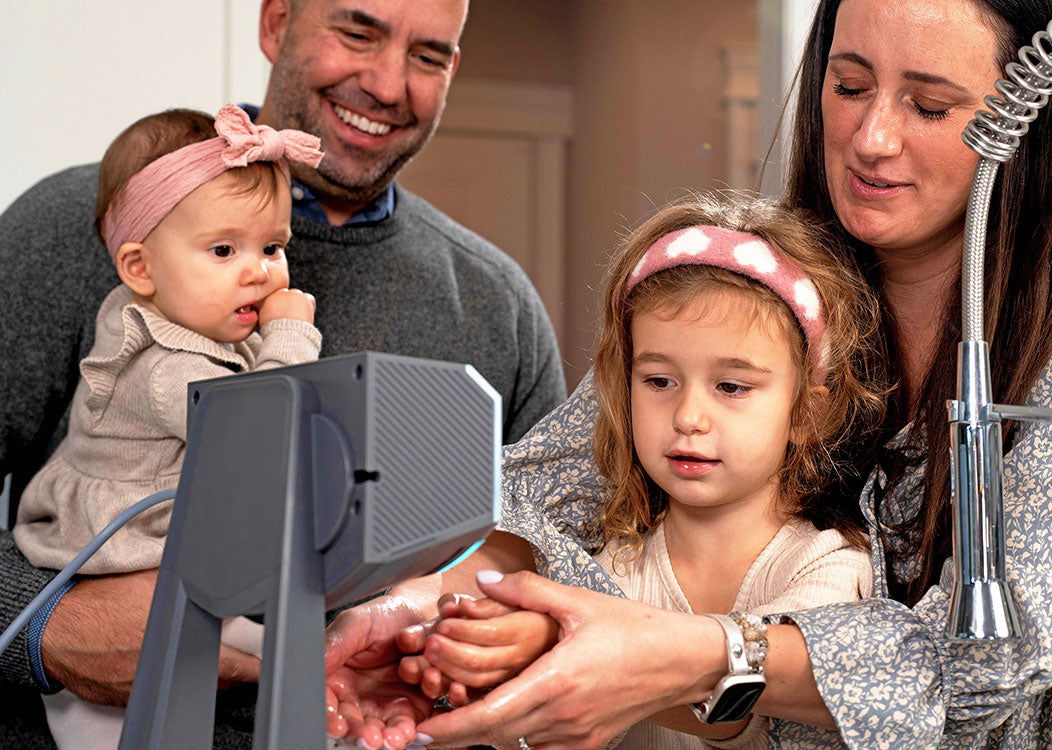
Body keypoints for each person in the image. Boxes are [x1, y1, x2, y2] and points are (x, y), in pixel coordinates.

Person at [324, 0, 1052, 747]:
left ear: (1027, 121)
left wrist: (697, 653)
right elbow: (541, 491)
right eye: (848, 86)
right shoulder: (761, 277)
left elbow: (997, 656)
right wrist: (425, 606)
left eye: (930, 107)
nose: (871, 136)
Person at [0, 0, 565, 746]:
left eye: (428, 56)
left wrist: (501, 637)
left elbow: (557, 551)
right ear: (275, 24)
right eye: (358, 31)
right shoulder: (82, 223)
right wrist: (43, 623)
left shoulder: (501, 307)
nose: (389, 83)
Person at [382, 197, 887, 750]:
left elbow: (743, 707)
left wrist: (552, 648)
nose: (688, 418)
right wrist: (469, 654)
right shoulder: (613, 563)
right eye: (659, 380)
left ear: (808, 412)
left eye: (732, 387)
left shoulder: (829, 567)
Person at [12, 104, 324, 750]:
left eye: (272, 248)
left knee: (294, 655)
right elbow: (261, 437)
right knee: (298, 663)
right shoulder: (165, 368)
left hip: (167, 578)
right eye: (223, 249)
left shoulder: (194, 336)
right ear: (140, 269)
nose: (258, 270)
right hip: (110, 598)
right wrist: (290, 335)